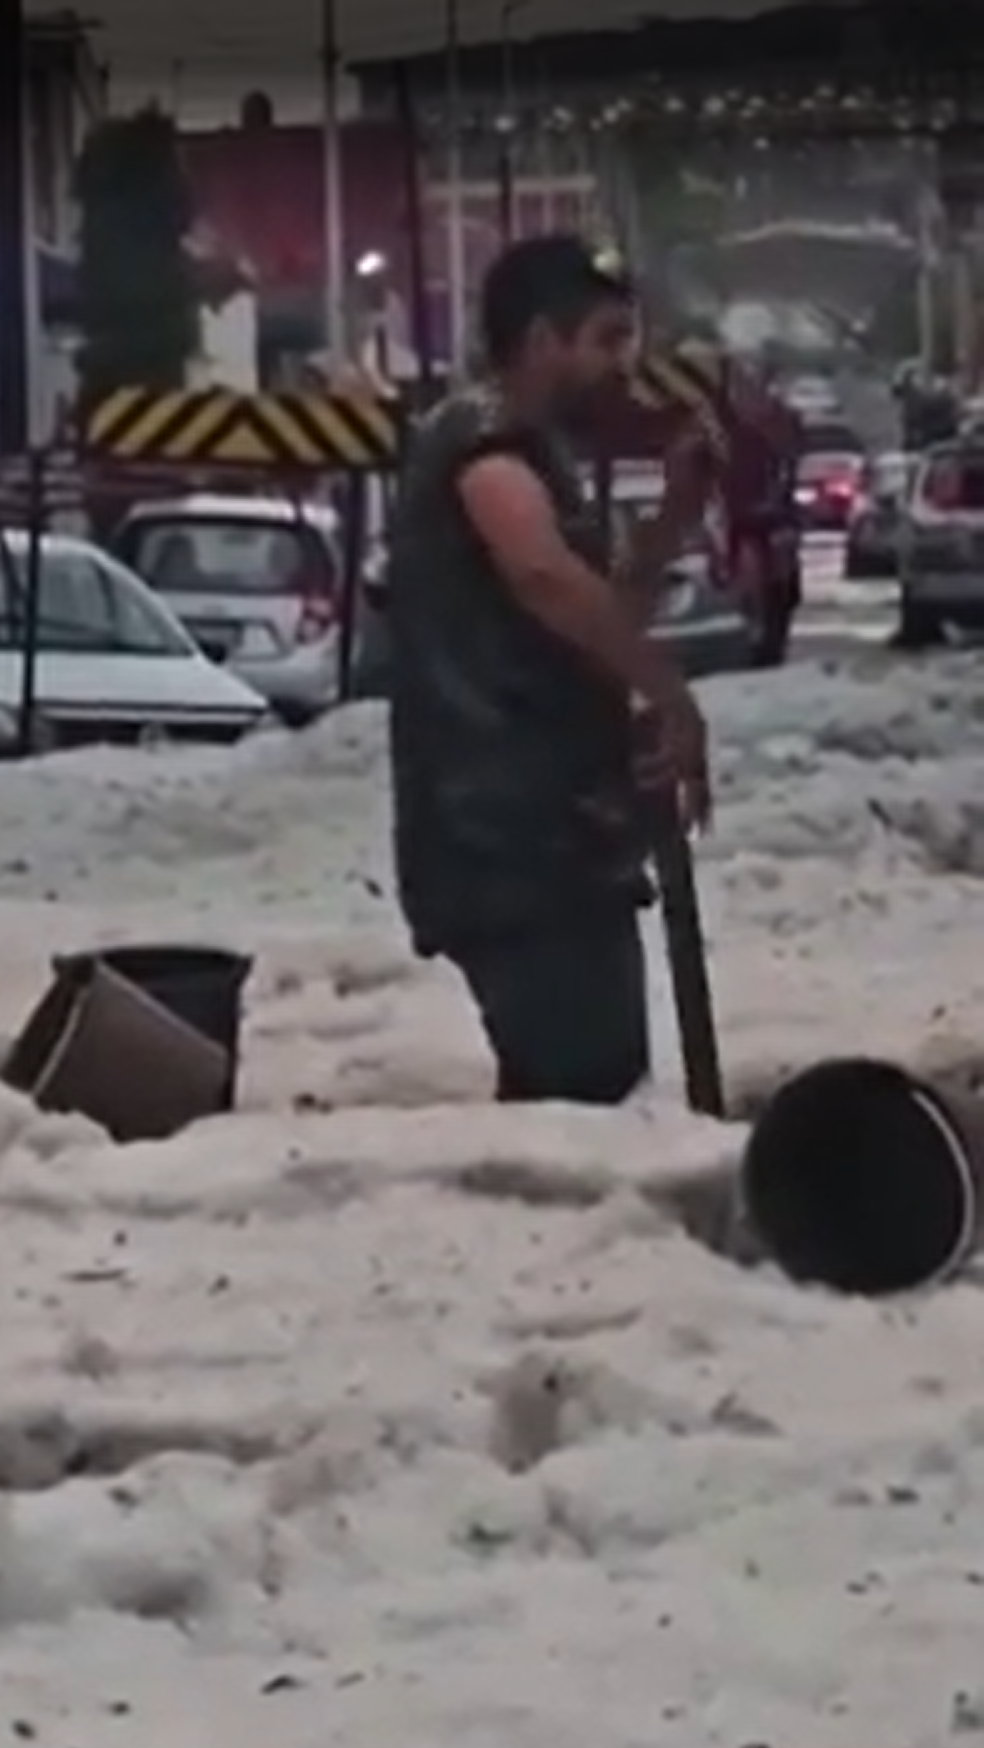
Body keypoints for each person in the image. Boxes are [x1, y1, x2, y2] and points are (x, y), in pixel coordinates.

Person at [383, 234, 714, 1106]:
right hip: (505, 844)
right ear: (540, 341)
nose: (624, 363)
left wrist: (676, 518)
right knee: (582, 1094)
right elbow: (542, 576)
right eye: (606, 338)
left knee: (577, 1095)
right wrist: (671, 693)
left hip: (559, 838)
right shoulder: (481, 444)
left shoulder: (538, 454)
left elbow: (592, 617)